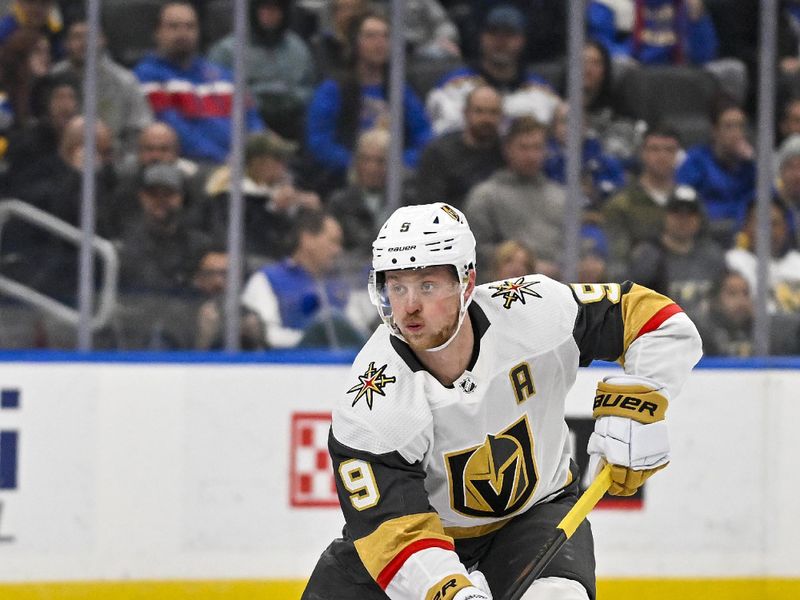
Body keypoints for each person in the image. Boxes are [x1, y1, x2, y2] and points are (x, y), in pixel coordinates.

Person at [301, 201, 702, 600]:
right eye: (397, 285)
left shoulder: (534, 311)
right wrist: (451, 592)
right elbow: (394, 530)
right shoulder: (373, 399)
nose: (409, 306)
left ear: (467, 282)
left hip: (534, 516)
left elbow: (655, 319)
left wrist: (644, 400)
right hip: (424, 539)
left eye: (427, 285)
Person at [304, 10, 432, 193]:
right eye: (371, 36)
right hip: (344, 182)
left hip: (395, 180)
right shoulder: (334, 89)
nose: (379, 43)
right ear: (355, 43)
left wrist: (399, 164)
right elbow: (319, 142)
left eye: (385, 36)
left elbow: (424, 136)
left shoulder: (400, 89)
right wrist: (359, 165)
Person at [133, 1, 265, 164]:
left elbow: (252, 120)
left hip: (241, 164)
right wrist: (222, 158)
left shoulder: (224, 75)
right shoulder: (147, 75)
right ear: (157, 32)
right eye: (174, 26)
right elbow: (174, 129)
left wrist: (258, 154)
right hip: (190, 163)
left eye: (190, 26)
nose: (183, 33)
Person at [426, 4, 561, 135]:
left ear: (523, 40)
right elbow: (439, 142)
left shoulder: (543, 93)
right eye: (494, 33)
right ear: (481, 37)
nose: (501, 42)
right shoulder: (452, 88)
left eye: (509, 34)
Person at [465, 116, 566, 280]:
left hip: (559, 288)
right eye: (524, 147)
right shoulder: (486, 196)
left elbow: (576, 248)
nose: (531, 155)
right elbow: (476, 250)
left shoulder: (561, 197)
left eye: (537, 147)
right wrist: (525, 265)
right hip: (505, 290)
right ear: (507, 149)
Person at [206, 0, 316, 141]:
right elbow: (215, 93)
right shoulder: (226, 50)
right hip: (243, 126)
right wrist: (256, 96)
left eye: (275, 9)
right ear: (253, 12)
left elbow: (310, 90)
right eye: (264, 9)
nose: (269, 15)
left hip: (291, 123)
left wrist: (287, 97)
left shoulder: (298, 49)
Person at [51, 18, 153, 161]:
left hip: (114, 161)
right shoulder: (53, 78)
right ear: (66, 43)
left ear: (103, 40)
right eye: (77, 37)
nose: (84, 43)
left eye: (91, 36)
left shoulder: (125, 81)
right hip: (61, 161)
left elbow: (141, 130)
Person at [602, 124, 682, 280]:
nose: (662, 156)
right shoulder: (621, 204)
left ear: (678, 155)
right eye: (655, 149)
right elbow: (617, 257)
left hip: (683, 279)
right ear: (642, 153)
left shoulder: (688, 201)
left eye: (669, 150)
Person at [415, 84, 504, 210]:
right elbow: (430, 206)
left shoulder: (508, 153)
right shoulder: (439, 153)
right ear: (465, 113)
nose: (487, 119)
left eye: (493, 112)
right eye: (479, 111)